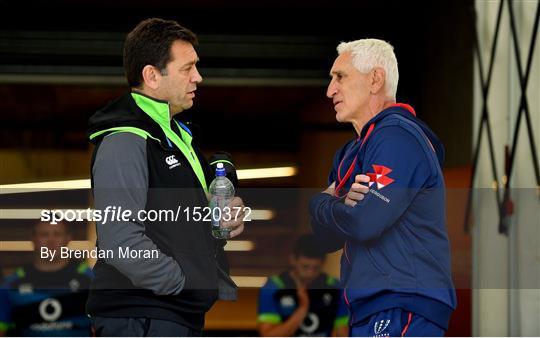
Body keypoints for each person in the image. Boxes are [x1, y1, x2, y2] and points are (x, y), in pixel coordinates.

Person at [85, 18, 245, 336]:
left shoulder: (178, 138)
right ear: (152, 76)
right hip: (142, 316)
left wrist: (221, 226)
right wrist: (181, 281)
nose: (198, 78)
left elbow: (180, 228)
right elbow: (121, 240)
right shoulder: (126, 139)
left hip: (171, 315)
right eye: (188, 68)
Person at [309, 39, 456, 337]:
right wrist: (333, 207)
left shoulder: (398, 138)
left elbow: (364, 222)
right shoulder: (350, 154)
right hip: (367, 307)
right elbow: (325, 237)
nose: (330, 90)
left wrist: (323, 204)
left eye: (340, 77)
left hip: (402, 303)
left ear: (375, 79)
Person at [0, 221, 93, 336]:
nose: (51, 241)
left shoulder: (90, 280)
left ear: (68, 238)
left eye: (57, 234)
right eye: (44, 234)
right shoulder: (11, 284)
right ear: (33, 239)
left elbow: (103, 327)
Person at [257, 234, 349, 337]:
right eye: (305, 267)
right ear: (293, 260)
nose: (310, 273)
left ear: (323, 263)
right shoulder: (274, 287)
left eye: (315, 268)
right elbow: (269, 335)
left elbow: (342, 332)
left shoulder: (334, 287)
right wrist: (302, 309)